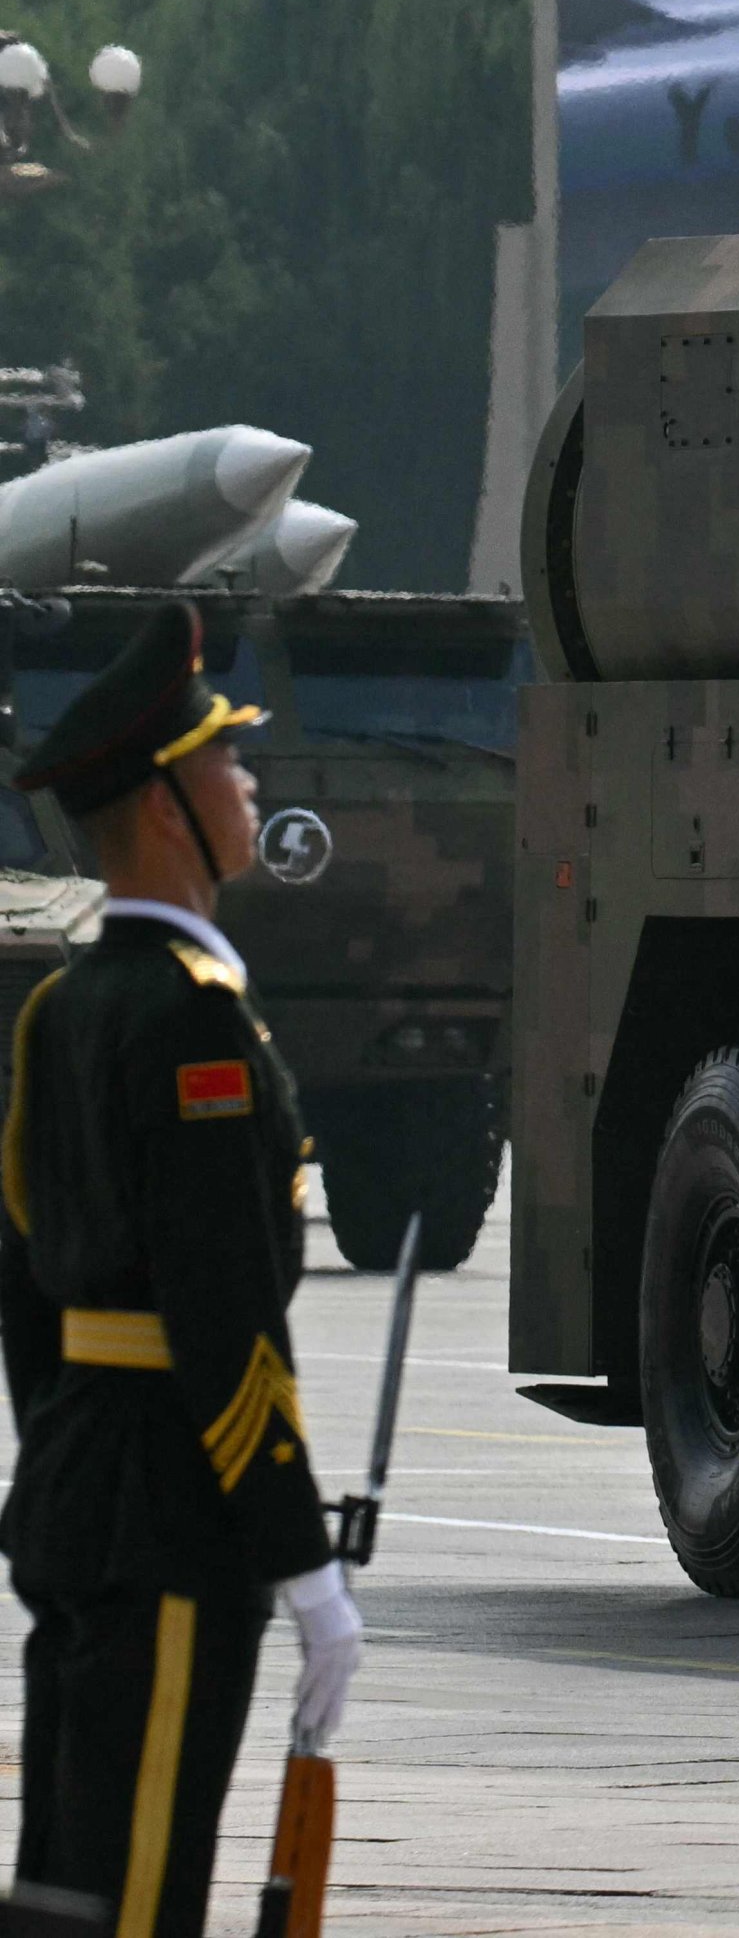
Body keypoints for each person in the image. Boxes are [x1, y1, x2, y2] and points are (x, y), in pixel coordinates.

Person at [0, 602, 359, 1937]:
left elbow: (27, 1291)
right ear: (166, 807)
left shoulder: (62, 1006)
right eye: (225, 760)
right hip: (170, 1514)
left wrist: (69, 1463)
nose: (250, 780)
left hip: (85, 1489)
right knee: (142, 1897)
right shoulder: (192, 1024)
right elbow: (221, 1316)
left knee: (63, 1892)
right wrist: (302, 1560)